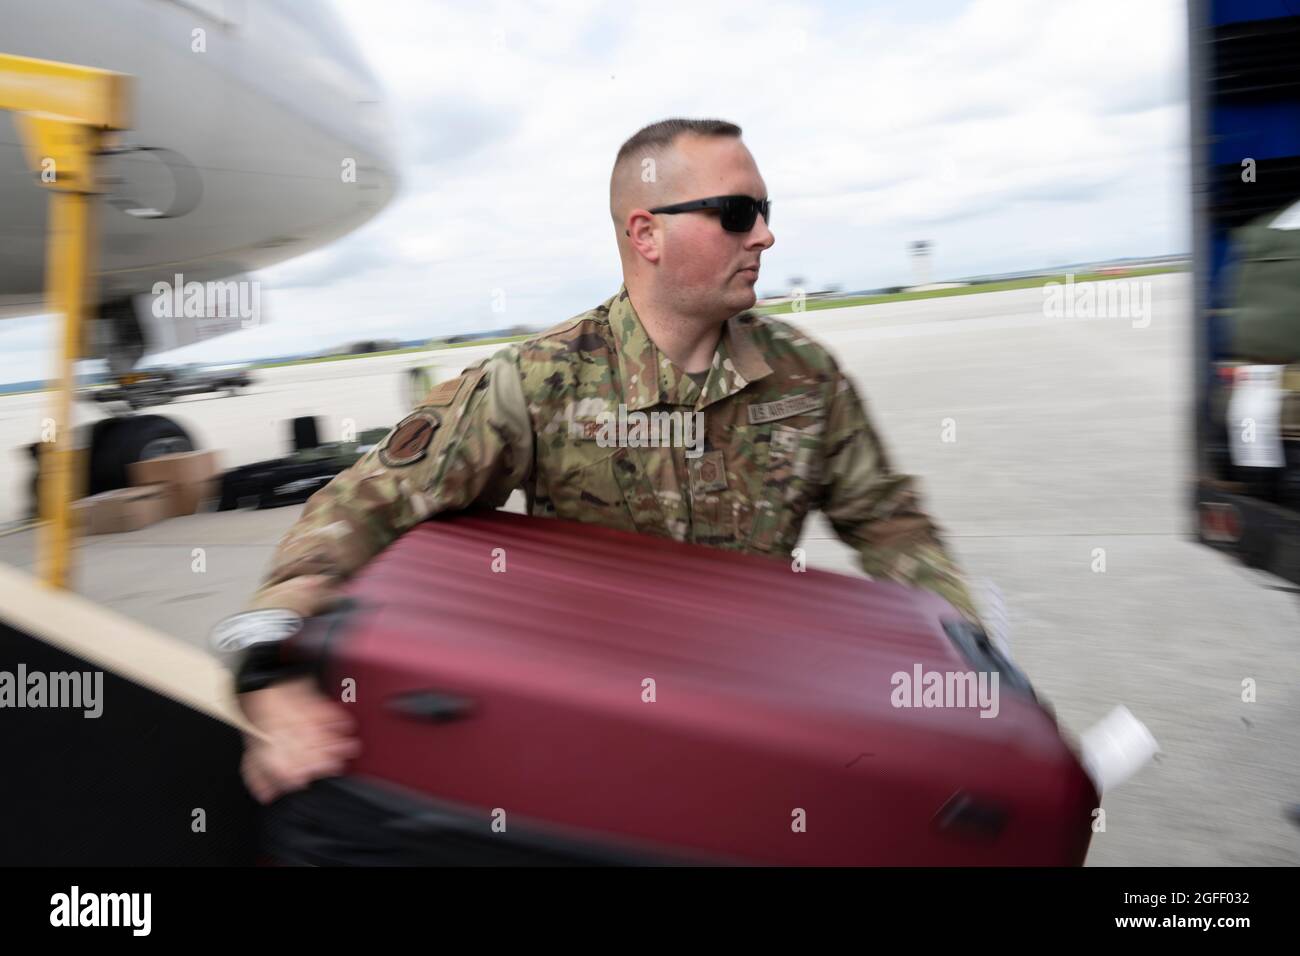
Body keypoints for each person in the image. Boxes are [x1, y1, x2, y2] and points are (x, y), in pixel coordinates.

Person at [213, 117, 985, 804]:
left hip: (756, 737)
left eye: (766, 212)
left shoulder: (806, 380)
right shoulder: (539, 382)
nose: (765, 237)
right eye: (737, 214)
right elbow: (366, 503)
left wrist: (971, 664)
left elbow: (889, 523)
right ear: (646, 234)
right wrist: (269, 664)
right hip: (596, 748)